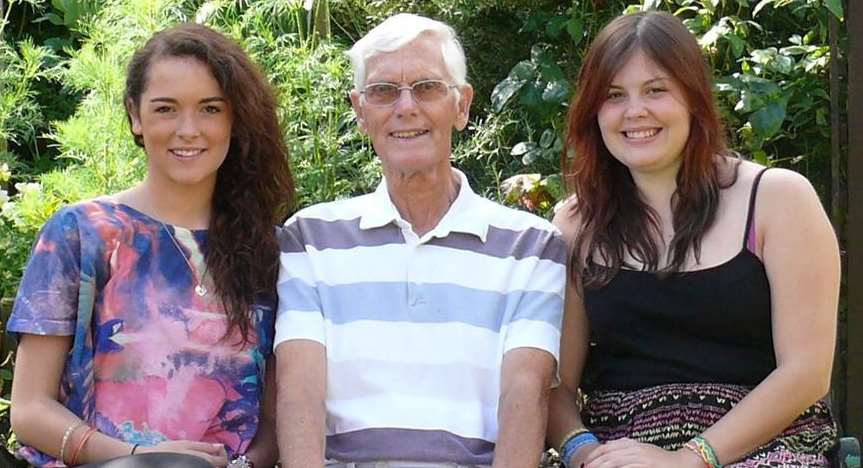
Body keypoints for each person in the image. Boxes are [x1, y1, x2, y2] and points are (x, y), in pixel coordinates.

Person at [547, 10, 840, 468]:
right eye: (614, 95)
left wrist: (689, 459)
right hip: (617, 452)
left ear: (693, 98)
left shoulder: (777, 200)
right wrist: (582, 452)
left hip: (766, 447)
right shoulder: (574, 225)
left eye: (656, 90)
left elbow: (806, 373)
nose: (634, 111)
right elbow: (555, 384)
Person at [274, 13, 566, 468]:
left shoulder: (529, 245)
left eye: (427, 87)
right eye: (383, 91)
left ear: (462, 106)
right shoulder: (310, 237)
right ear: (360, 111)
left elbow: (525, 396)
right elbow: (299, 389)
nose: (405, 107)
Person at [8, 23, 293, 467]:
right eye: (165, 109)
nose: (188, 129)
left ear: (235, 119)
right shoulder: (82, 232)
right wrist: (142, 459)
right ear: (135, 116)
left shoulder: (271, 249)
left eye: (210, 109)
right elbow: (28, 410)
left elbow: (278, 421)